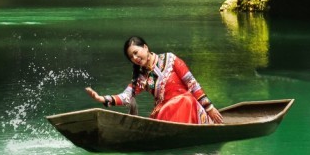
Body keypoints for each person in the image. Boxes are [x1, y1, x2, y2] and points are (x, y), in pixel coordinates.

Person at [85, 36, 224, 124]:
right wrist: (101, 99)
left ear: (145, 48)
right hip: (165, 114)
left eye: (136, 53)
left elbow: (192, 84)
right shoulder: (141, 78)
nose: (135, 58)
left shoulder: (171, 59)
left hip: (188, 108)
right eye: (131, 57)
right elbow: (126, 96)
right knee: (169, 107)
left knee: (184, 100)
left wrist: (209, 108)